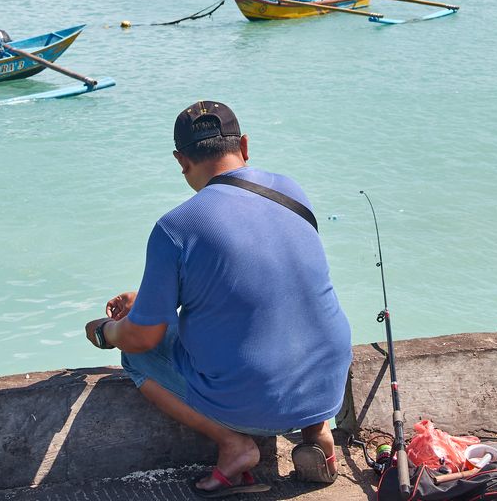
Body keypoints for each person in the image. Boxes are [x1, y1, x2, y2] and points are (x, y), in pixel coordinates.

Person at [85, 101, 351, 496]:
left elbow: (142, 338)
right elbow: (265, 281)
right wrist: (150, 299)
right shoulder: (291, 190)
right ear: (244, 146)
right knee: (289, 314)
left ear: (181, 161)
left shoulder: (176, 226)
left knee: (136, 357)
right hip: (328, 385)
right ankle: (317, 433)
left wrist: (105, 331)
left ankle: (235, 447)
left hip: (256, 403)